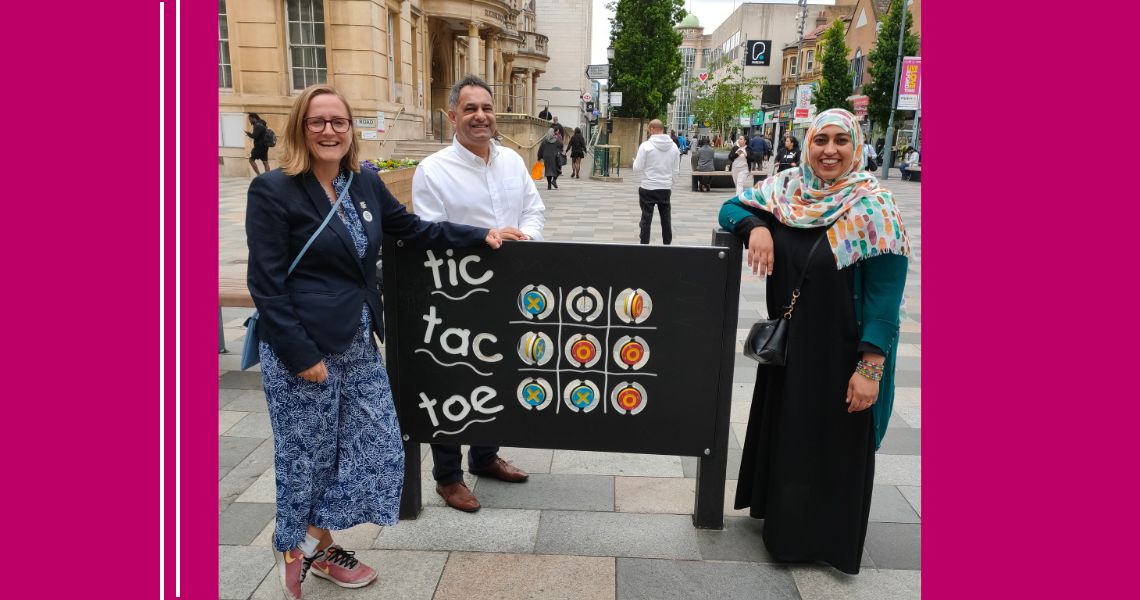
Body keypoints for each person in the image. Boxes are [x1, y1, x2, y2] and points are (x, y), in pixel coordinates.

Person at [246, 84, 506, 600]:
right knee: (309, 457)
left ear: (350, 129)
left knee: (382, 447)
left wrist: (480, 235)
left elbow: (411, 228)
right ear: (301, 127)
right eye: (318, 122)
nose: (329, 131)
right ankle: (301, 547)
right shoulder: (275, 190)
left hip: (358, 342)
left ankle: (310, 539)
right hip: (304, 350)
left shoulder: (362, 182)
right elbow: (267, 285)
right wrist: (302, 356)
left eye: (338, 121)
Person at [718, 108, 910, 575]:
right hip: (790, 352)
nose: (829, 150)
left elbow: (886, 299)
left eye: (840, 140)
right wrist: (757, 227)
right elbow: (731, 207)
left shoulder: (875, 207)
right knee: (791, 436)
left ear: (857, 146)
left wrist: (870, 368)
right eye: (820, 139)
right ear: (806, 145)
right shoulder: (787, 191)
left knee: (829, 445)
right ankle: (782, 525)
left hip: (840, 353)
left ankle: (819, 541)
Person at [412, 74, 544, 513]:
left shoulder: (511, 162)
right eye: (470, 109)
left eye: (486, 108)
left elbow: (533, 209)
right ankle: (447, 477)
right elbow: (428, 231)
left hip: (509, 289)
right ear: (453, 116)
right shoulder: (433, 170)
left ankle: (485, 455)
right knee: (455, 378)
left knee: (500, 374)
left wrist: (524, 239)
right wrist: (483, 236)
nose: (480, 116)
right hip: (457, 295)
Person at [631, 118, 680, 245]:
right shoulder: (674, 147)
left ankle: (644, 245)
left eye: (648, 130)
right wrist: (670, 184)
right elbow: (676, 171)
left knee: (646, 218)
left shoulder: (646, 146)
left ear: (652, 129)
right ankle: (667, 245)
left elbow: (637, 168)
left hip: (648, 187)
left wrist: (634, 161)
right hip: (665, 188)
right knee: (666, 219)